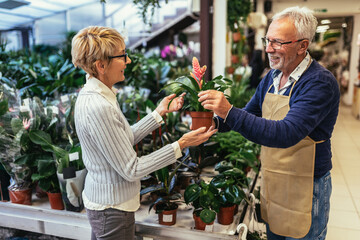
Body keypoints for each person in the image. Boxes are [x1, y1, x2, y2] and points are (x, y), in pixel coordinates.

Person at [198, 6, 339, 240]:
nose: (268, 48)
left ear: (303, 46)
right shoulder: (272, 77)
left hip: (306, 185)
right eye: (267, 40)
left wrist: (229, 111)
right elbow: (250, 113)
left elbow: (286, 133)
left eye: (278, 42)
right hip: (275, 179)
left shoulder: (318, 83)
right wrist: (212, 122)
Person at [71, 26, 217, 240]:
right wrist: (181, 144)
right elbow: (131, 169)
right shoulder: (98, 106)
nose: (128, 61)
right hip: (112, 210)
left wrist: (158, 113)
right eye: (122, 55)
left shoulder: (98, 96)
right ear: (101, 65)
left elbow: (122, 140)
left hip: (108, 206)